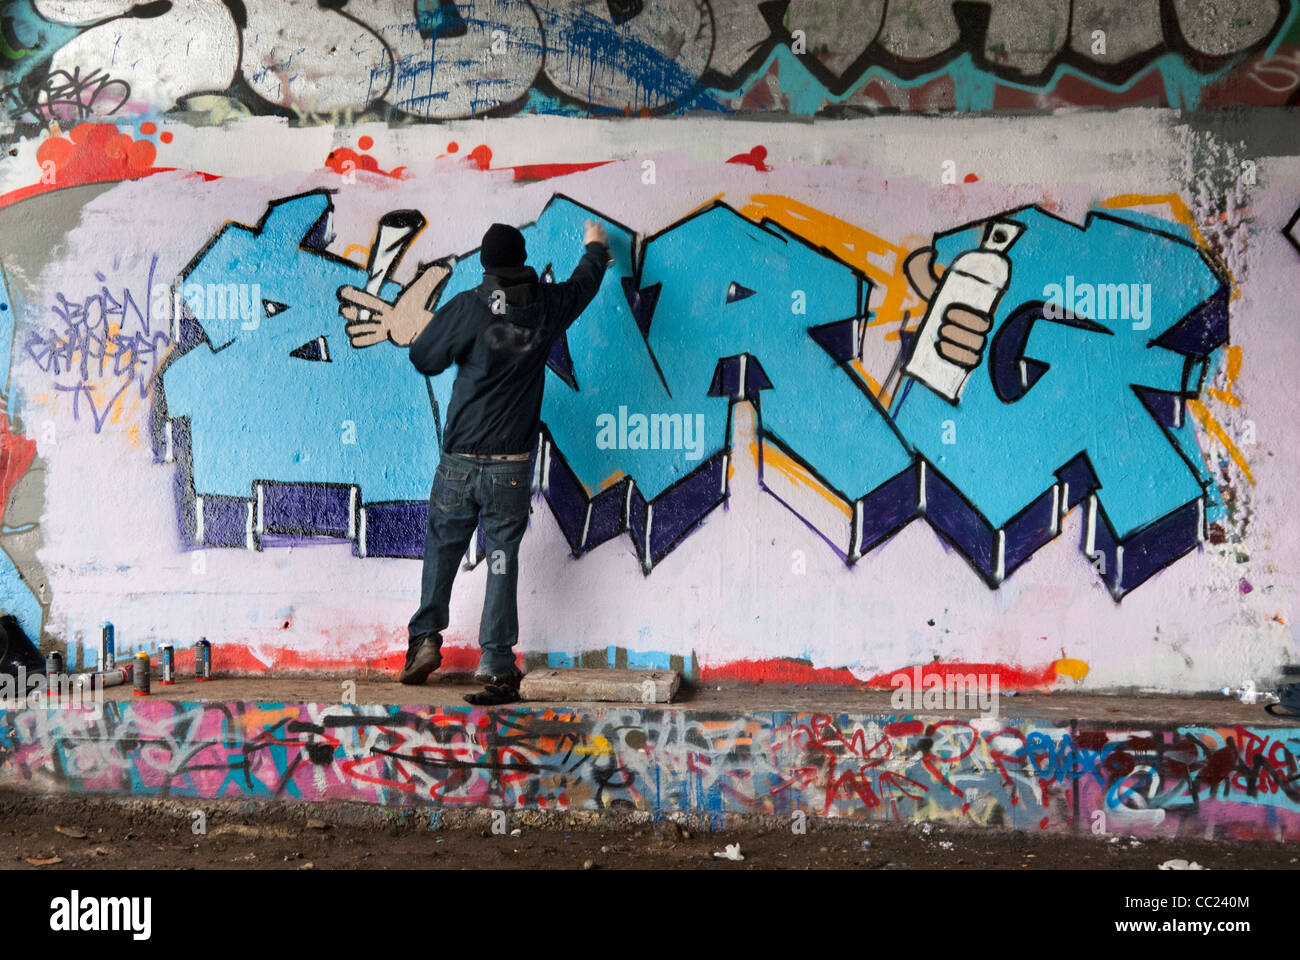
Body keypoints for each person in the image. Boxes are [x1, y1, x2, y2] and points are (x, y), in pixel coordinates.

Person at [338, 219, 610, 704]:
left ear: (486, 264)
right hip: (510, 468)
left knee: (442, 549)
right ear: (522, 259)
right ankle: (497, 661)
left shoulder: (469, 305)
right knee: (502, 559)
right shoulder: (547, 307)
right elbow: (584, 285)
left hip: (459, 462)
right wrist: (594, 247)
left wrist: (461, 342)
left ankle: (425, 640)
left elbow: (424, 357)